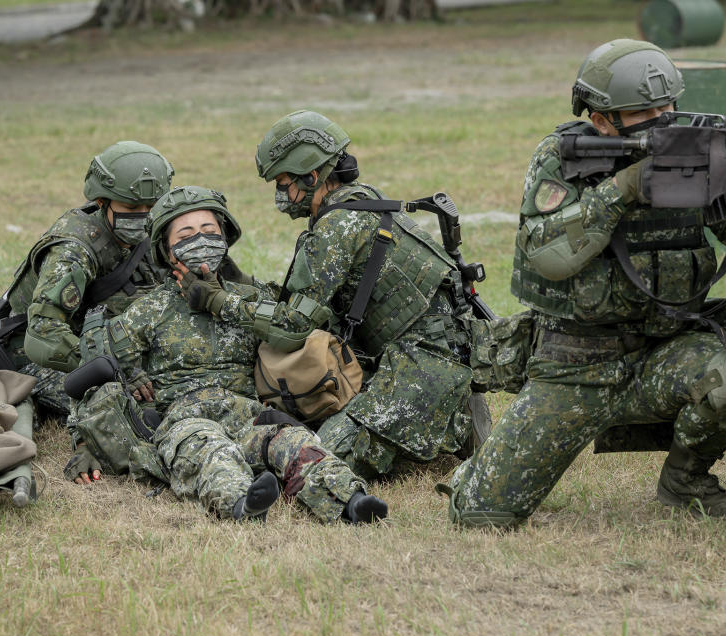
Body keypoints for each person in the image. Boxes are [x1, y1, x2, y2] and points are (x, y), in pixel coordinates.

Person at [441, 39, 726, 527]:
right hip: (576, 364)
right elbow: (547, 254)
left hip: (667, 348)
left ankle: (685, 480)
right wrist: (625, 188)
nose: (663, 118)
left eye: (668, 104)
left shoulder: (697, 150)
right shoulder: (562, 157)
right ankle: (476, 475)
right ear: (601, 119)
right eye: (643, 111)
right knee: (481, 516)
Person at [178, 110, 530, 480]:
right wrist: (240, 282)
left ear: (312, 177)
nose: (280, 195)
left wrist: (217, 301)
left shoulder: (334, 229)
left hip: (420, 363)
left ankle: (451, 416)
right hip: (433, 345)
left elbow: (291, 327)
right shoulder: (362, 200)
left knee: (318, 460)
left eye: (283, 183)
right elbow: (309, 301)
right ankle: (451, 404)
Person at [84, 185, 387, 523]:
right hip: (186, 419)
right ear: (168, 252)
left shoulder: (249, 299)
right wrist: (93, 432)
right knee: (211, 448)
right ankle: (243, 504)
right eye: (186, 234)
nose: (200, 240)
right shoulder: (152, 308)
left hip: (247, 412)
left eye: (209, 231)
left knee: (293, 440)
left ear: (224, 238)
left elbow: (289, 328)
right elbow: (99, 361)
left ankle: (351, 501)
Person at [0, 142, 175, 437]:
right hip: (33, 355)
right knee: (122, 403)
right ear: (103, 202)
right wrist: (116, 368)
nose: (143, 216)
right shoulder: (73, 251)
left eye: (151, 207)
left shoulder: (150, 233)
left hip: (97, 339)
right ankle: (21, 392)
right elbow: (43, 333)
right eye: (131, 208)